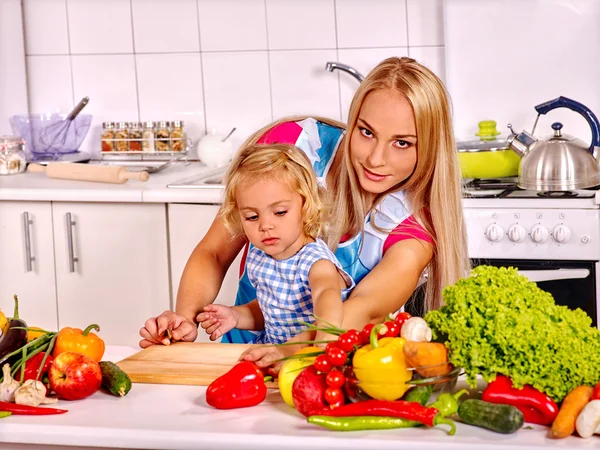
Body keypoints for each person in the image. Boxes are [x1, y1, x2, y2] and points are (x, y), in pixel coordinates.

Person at [139, 56, 470, 368]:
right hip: (240, 356)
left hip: (329, 370)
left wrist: (286, 351)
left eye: (402, 143)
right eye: (366, 133)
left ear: (429, 147)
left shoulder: (414, 226)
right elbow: (213, 253)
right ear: (353, 122)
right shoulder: (294, 147)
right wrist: (184, 319)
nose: (375, 159)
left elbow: (362, 311)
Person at [197, 143, 354, 344]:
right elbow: (269, 311)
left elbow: (326, 295)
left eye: (279, 212)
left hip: (312, 356)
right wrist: (235, 316)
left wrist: (325, 338)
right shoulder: (259, 257)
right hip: (274, 354)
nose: (265, 225)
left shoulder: (316, 262)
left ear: (306, 206)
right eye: (252, 217)